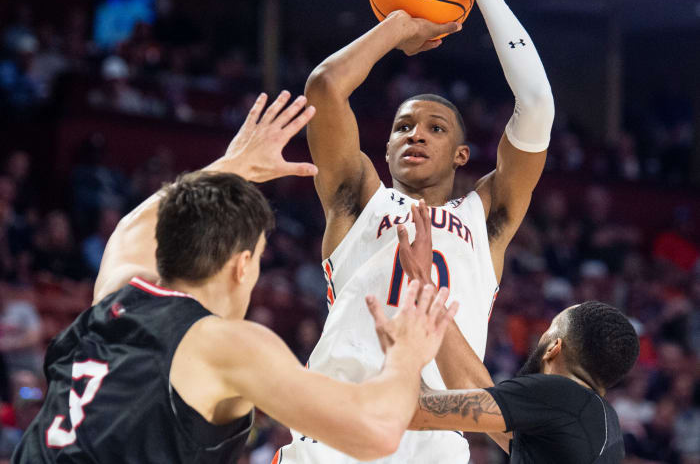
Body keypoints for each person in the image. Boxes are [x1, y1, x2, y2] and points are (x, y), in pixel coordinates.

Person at [11, 91, 457, 463]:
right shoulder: (223, 344)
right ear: (242, 265)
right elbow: (376, 432)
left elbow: (135, 227)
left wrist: (233, 163)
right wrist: (407, 355)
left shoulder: (119, 290)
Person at [279, 0, 555, 463]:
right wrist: (399, 25)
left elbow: (537, 106)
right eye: (403, 127)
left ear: (460, 154)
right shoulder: (358, 199)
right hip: (337, 425)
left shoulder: (487, 217)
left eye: (434, 127)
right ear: (383, 148)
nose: (416, 134)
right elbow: (324, 88)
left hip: (434, 441)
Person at [382, 202, 640, 463]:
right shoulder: (603, 426)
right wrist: (426, 285)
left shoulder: (559, 394)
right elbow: (474, 389)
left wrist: (402, 350)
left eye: (549, 329)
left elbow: (415, 411)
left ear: (554, 348)